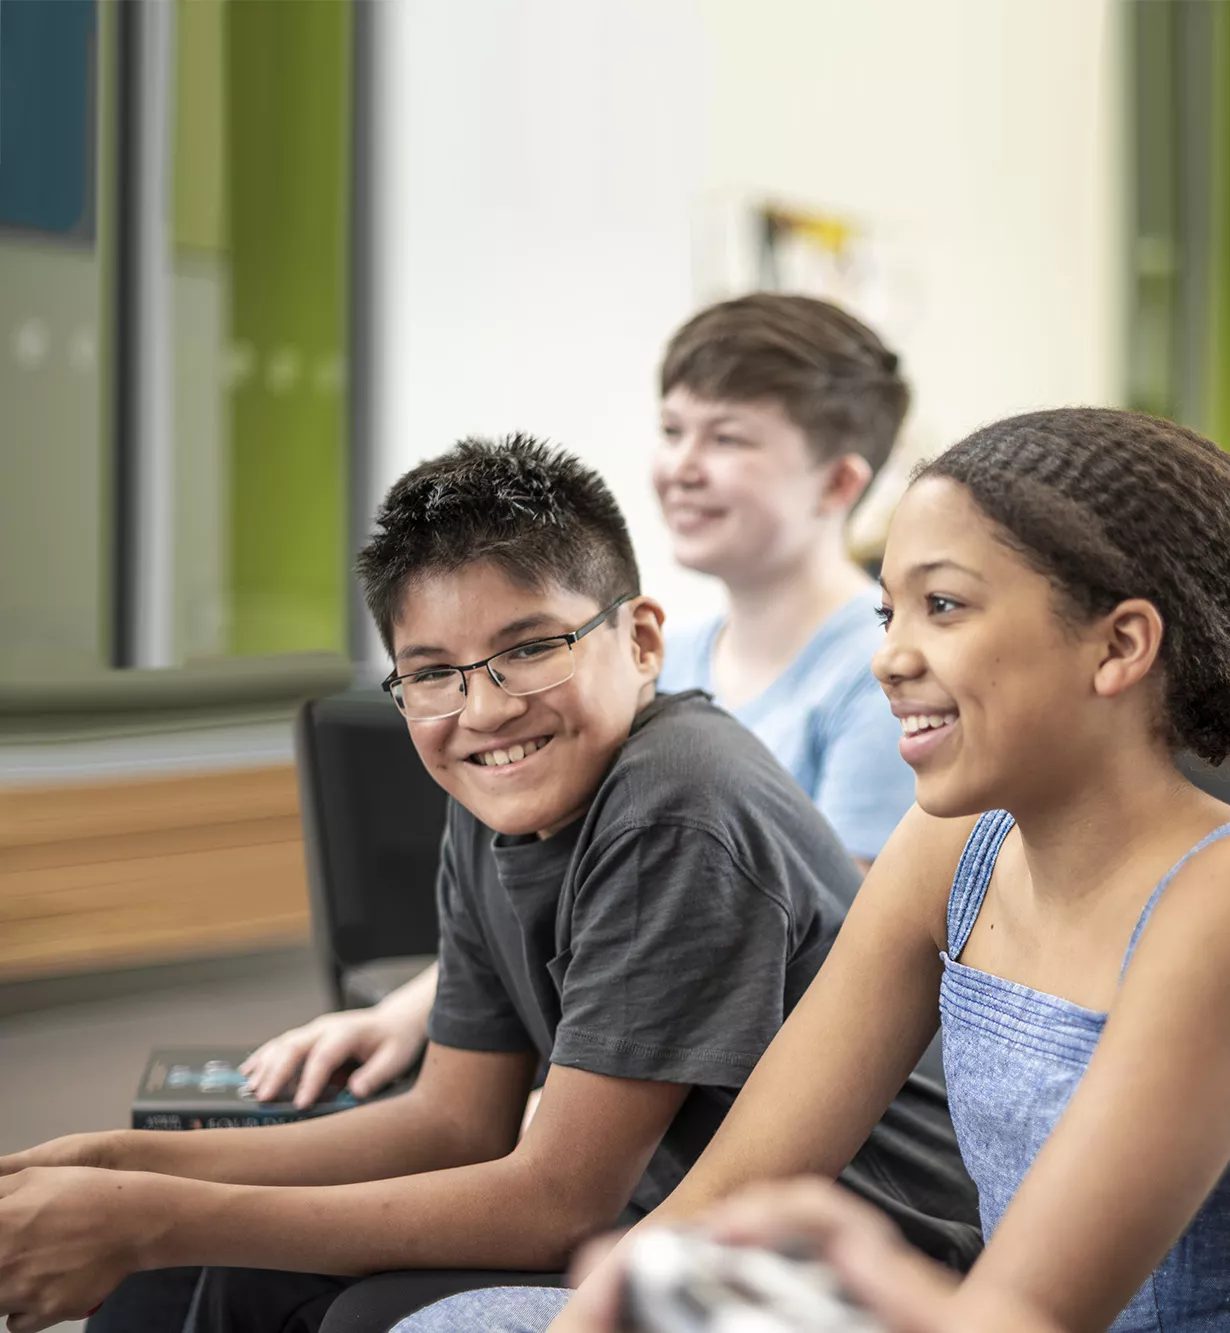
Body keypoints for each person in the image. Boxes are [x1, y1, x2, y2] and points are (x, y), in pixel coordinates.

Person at [390, 407, 1230, 1333]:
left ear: (1117, 644)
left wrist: (846, 1263)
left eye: (941, 606)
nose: (888, 661)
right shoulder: (953, 845)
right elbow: (726, 1193)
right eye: (888, 612)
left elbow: (1029, 1317)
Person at [0, 436, 977, 1333]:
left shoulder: (677, 802)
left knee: (328, 1303)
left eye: (528, 650)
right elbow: (452, 1121)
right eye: (432, 672)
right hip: (646, 1210)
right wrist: (117, 1167)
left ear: (641, 641)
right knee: (189, 1271)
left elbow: (559, 1203)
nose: (482, 710)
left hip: (838, 1258)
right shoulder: (490, 800)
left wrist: (151, 1217)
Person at [241, 293, 917, 1112]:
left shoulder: (880, 673)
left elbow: (853, 949)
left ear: (839, 480)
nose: (682, 465)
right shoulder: (678, 654)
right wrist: (413, 1011)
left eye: (728, 438)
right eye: (673, 431)